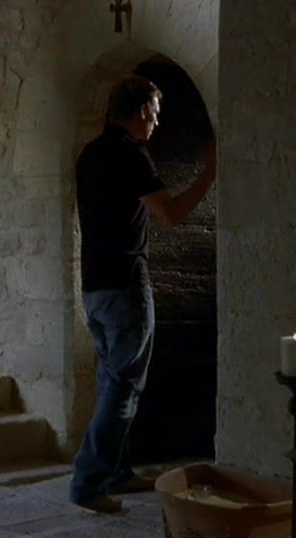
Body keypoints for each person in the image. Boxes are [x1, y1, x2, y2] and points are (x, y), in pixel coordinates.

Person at [69, 75, 217, 513]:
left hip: (95, 286)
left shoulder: (90, 153)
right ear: (140, 112)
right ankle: (89, 483)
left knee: (111, 380)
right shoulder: (130, 155)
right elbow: (171, 214)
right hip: (125, 285)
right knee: (123, 385)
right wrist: (209, 174)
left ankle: (117, 471)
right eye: (155, 112)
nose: (157, 121)